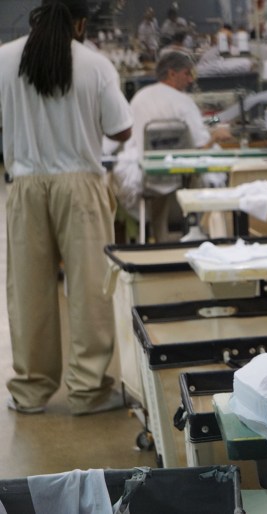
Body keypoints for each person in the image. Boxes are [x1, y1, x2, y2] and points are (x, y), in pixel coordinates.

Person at [0, 0, 133, 415]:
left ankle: (31, 390)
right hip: (80, 184)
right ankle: (88, 391)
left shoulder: (4, 58)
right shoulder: (95, 64)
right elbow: (121, 128)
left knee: (28, 291)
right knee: (90, 288)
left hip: (24, 183)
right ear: (80, 23)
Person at [114, 51, 231, 242]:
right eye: (186, 74)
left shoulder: (140, 97)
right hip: (181, 178)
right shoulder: (183, 102)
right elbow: (200, 148)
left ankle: (158, 237)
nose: (189, 80)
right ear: (172, 74)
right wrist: (216, 136)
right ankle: (197, 232)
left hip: (147, 179)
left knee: (157, 199)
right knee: (208, 178)